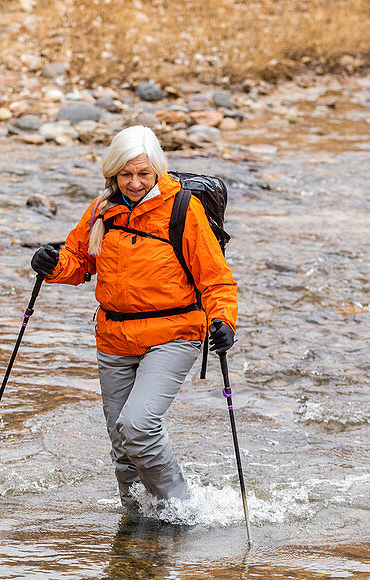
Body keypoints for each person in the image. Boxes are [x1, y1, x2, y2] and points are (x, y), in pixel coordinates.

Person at [30, 125, 237, 513]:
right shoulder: (101, 210)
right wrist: (53, 264)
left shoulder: (183, 210)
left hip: (174, 334)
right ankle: (137, 520)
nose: (136, 182)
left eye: (144, 173)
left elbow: (216, 278)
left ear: (157, 169)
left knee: (138, 426)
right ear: (113, 174)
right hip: (114, 337)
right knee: (121, 441)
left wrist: (223, 320)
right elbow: (80, 263)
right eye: (126, 174)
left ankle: (181, 510)